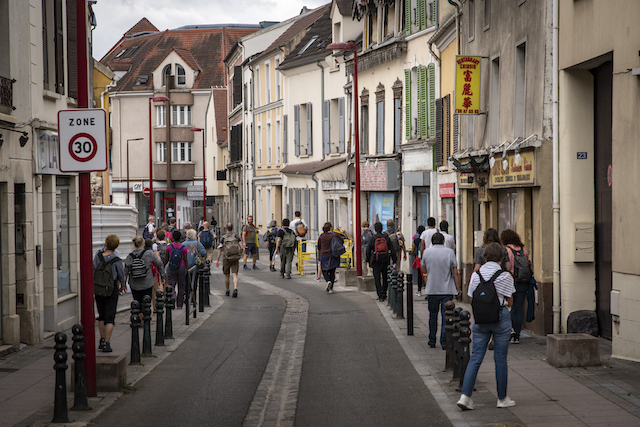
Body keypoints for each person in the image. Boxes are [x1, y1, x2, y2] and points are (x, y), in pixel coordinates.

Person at [457, 242, 516, 411]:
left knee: (475, 357)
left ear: (484, 257)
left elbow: (471, 297)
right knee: (500, 359)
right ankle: (502, 398)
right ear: (501, 257)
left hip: (481, 320)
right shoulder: (505, 276)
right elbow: (509, 300)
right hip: (500, 319)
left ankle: (465, 397)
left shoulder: (476, 275)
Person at [421, 232, 461, 349]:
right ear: (443, 241)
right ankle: (444, 342)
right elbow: (455, 272)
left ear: (432, 241)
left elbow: (423, 269)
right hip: (446, 289)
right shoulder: (449, 252)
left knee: (432, 315)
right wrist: (458, 289)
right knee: (446, 316)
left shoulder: (427, 252)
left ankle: (432, 339)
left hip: (432, 289)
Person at [93, 234, 125, 353]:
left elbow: (93, 270)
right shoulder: (116, 260)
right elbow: (121, 275)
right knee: (110, 317)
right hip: (111, 289)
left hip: (99, 289)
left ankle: (101, 340)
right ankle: (107, 342)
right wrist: (122, 286)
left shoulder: (98, 256)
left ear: (106, 244)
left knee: (101, 316)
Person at [501, 229, 530, 344]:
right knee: (518, 308)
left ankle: (509, 331)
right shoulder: (524, 250)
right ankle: (517, 335)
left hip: (510, 280)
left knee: (508, 307)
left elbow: (506, 266)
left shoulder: (506, 250)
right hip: (523, 281)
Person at [125, 235, 165, 306]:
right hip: (147, 282)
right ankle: (145, 314)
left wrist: (123, 284)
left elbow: (125, 271)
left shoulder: (130, 256)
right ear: (143, 243)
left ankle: (139, 314)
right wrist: (158, 256)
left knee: (137, 302)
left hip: (134, 283)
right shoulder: (149, 254)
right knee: (146, 303)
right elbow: (159, 263)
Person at [366, 222, 397, 302]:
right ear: (382, 228)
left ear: (375, 229)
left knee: (377, 278)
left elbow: (368, 249)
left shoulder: (373, 238)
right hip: (385, 259)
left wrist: (368, 260)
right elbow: (392, 249)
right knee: (385, 276)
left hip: (376, 260)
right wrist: (394, 260)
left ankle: (379, 295)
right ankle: (384, 293)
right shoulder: (386, 237)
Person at [216, 223, 244, 297]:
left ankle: (227, 290)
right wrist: (239, 254)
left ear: (226, 228)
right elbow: (241, 247)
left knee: (227, 275)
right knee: (234, 274)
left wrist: (217, 259)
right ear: (232, 228)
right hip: (235, 257)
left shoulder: (223, 238)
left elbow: (220, 249)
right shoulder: (236, 237)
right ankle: (235, 288)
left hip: (226, 258)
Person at [317, 222, 344, 293]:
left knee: (324, 270)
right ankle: (331, 288)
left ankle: (327, 281)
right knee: (332, 270)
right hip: (332, 254)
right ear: (331, 228)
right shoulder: (335, 235)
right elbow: (342, 241)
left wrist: (318, 256)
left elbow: (319, 247)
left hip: (323, 254)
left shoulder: (321, 236)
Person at [167, 229, 189, 308]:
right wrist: (188, 269)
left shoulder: (169, 247)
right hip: (181, 267)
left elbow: (166, 259)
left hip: (172, 266)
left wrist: (162, 266)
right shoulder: (184, 247)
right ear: (180, 238)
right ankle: (179, 304)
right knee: (181, 285)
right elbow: (185, 259)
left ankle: (172, 299)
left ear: (172, 238)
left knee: (171, 283)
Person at [411, 225, 425, 296]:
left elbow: (412, 249)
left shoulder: (415, 238)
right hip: (425, 256)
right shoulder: (425, 238)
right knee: (426, 274)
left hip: (418, 257)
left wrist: (415, 255)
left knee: (419, 274)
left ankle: (419, 290)